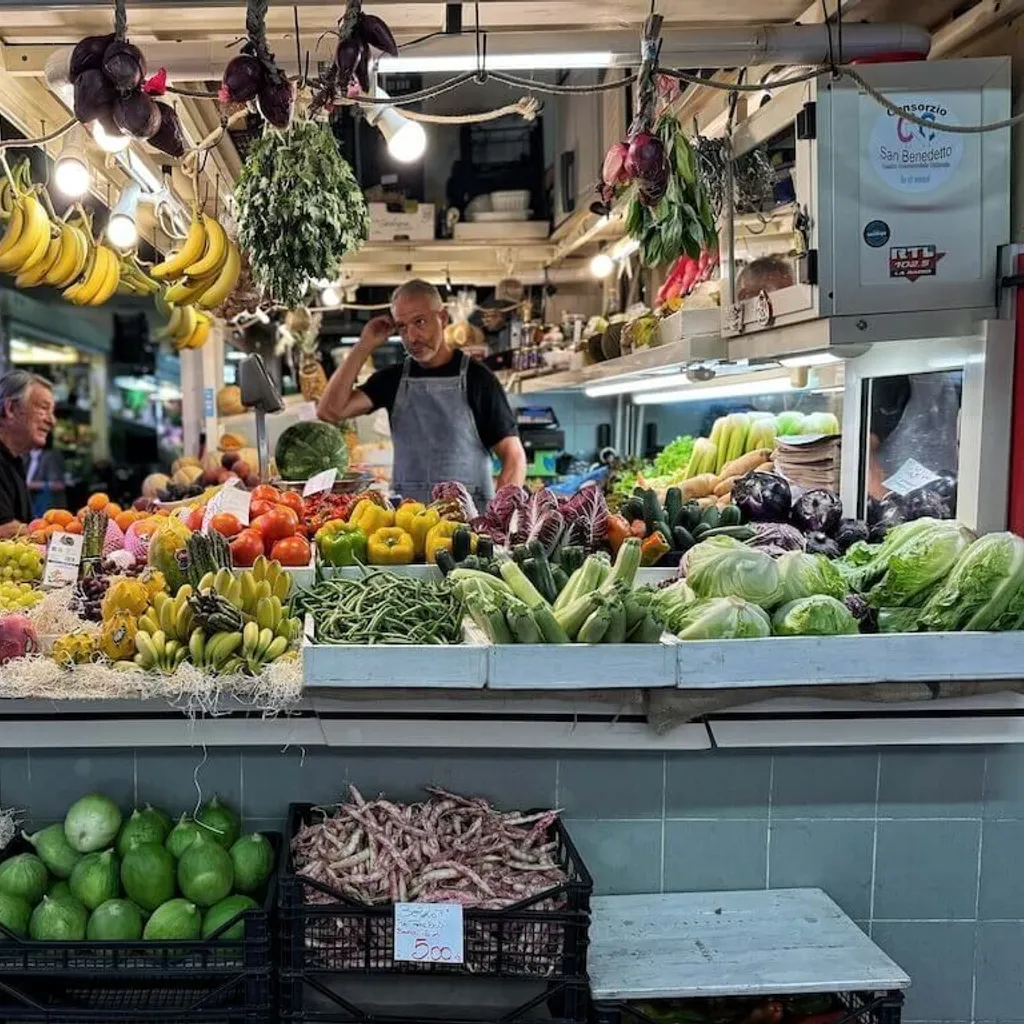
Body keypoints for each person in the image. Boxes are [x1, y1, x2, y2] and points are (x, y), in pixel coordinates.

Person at [317, 279, 526, 505]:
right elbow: (330, 411)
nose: (412, 337)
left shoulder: (479, 379)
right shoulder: (392, 380)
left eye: (420, 321)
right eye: (402, 327)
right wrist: (364, 345)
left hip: (471, 531)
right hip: (409, 529)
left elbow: (514, 456)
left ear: (443, 318)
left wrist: (500, 519)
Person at [0, 371, 56, 536]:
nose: (52, 421)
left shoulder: (14, 460)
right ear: (10, 409)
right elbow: (4, 530)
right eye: (44, 408)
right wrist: (62, 538)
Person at [26, 434, 67, 519]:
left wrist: (31, 485)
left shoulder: (51, 456)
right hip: (32, 505)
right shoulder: (27, 455)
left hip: (48, 508)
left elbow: (59, 484)